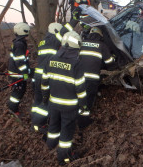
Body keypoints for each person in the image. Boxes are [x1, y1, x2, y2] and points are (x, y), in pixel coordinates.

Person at [41, 31, 89, 165]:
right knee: (67, 133)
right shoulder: (76, 63)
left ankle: (51, 145)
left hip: (53, 103)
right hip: (69, 106)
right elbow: (80, 88)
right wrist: (83, 105)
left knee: (53, 126)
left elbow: (44, 83)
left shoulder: (50, 59)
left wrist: (45, 98)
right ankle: (64, 157)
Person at [78, 27, 114, 127]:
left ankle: (74, 116)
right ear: (100, 36)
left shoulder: (82, 43)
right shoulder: (102, 46)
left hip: (78, 77)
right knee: (88, 99)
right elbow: (109, 63)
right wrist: (113, 58)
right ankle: (83, 122)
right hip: (91, 79)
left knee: (78, 97)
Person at [30, 22, 63, 133]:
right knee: (45, 102)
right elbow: (65, 31)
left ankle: (34, 122)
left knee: (38, 100)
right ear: (56, 31)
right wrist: (74, 19)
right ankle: (39, 123)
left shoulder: (43, 42)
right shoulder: (53, 40)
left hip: (37, 76)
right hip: (45, 77)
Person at [7, 22, 31, 115]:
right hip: (17, 73)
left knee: (19, 90)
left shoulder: (18, 42)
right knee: (18, 91)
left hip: (16, 72)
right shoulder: (20, 44)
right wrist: (25, 72)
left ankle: (13, 108)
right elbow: (19, 61)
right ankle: (13, 110)